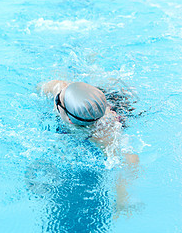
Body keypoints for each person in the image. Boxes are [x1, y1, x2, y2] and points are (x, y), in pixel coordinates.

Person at [37, 80, 139, 216]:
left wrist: (122, 199)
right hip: (90, 99)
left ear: (69, 120)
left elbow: (129, 160)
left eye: (57, 100)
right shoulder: (61, 88)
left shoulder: (103, 135)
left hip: (112, 103)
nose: (56, 99)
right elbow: (41, 88)